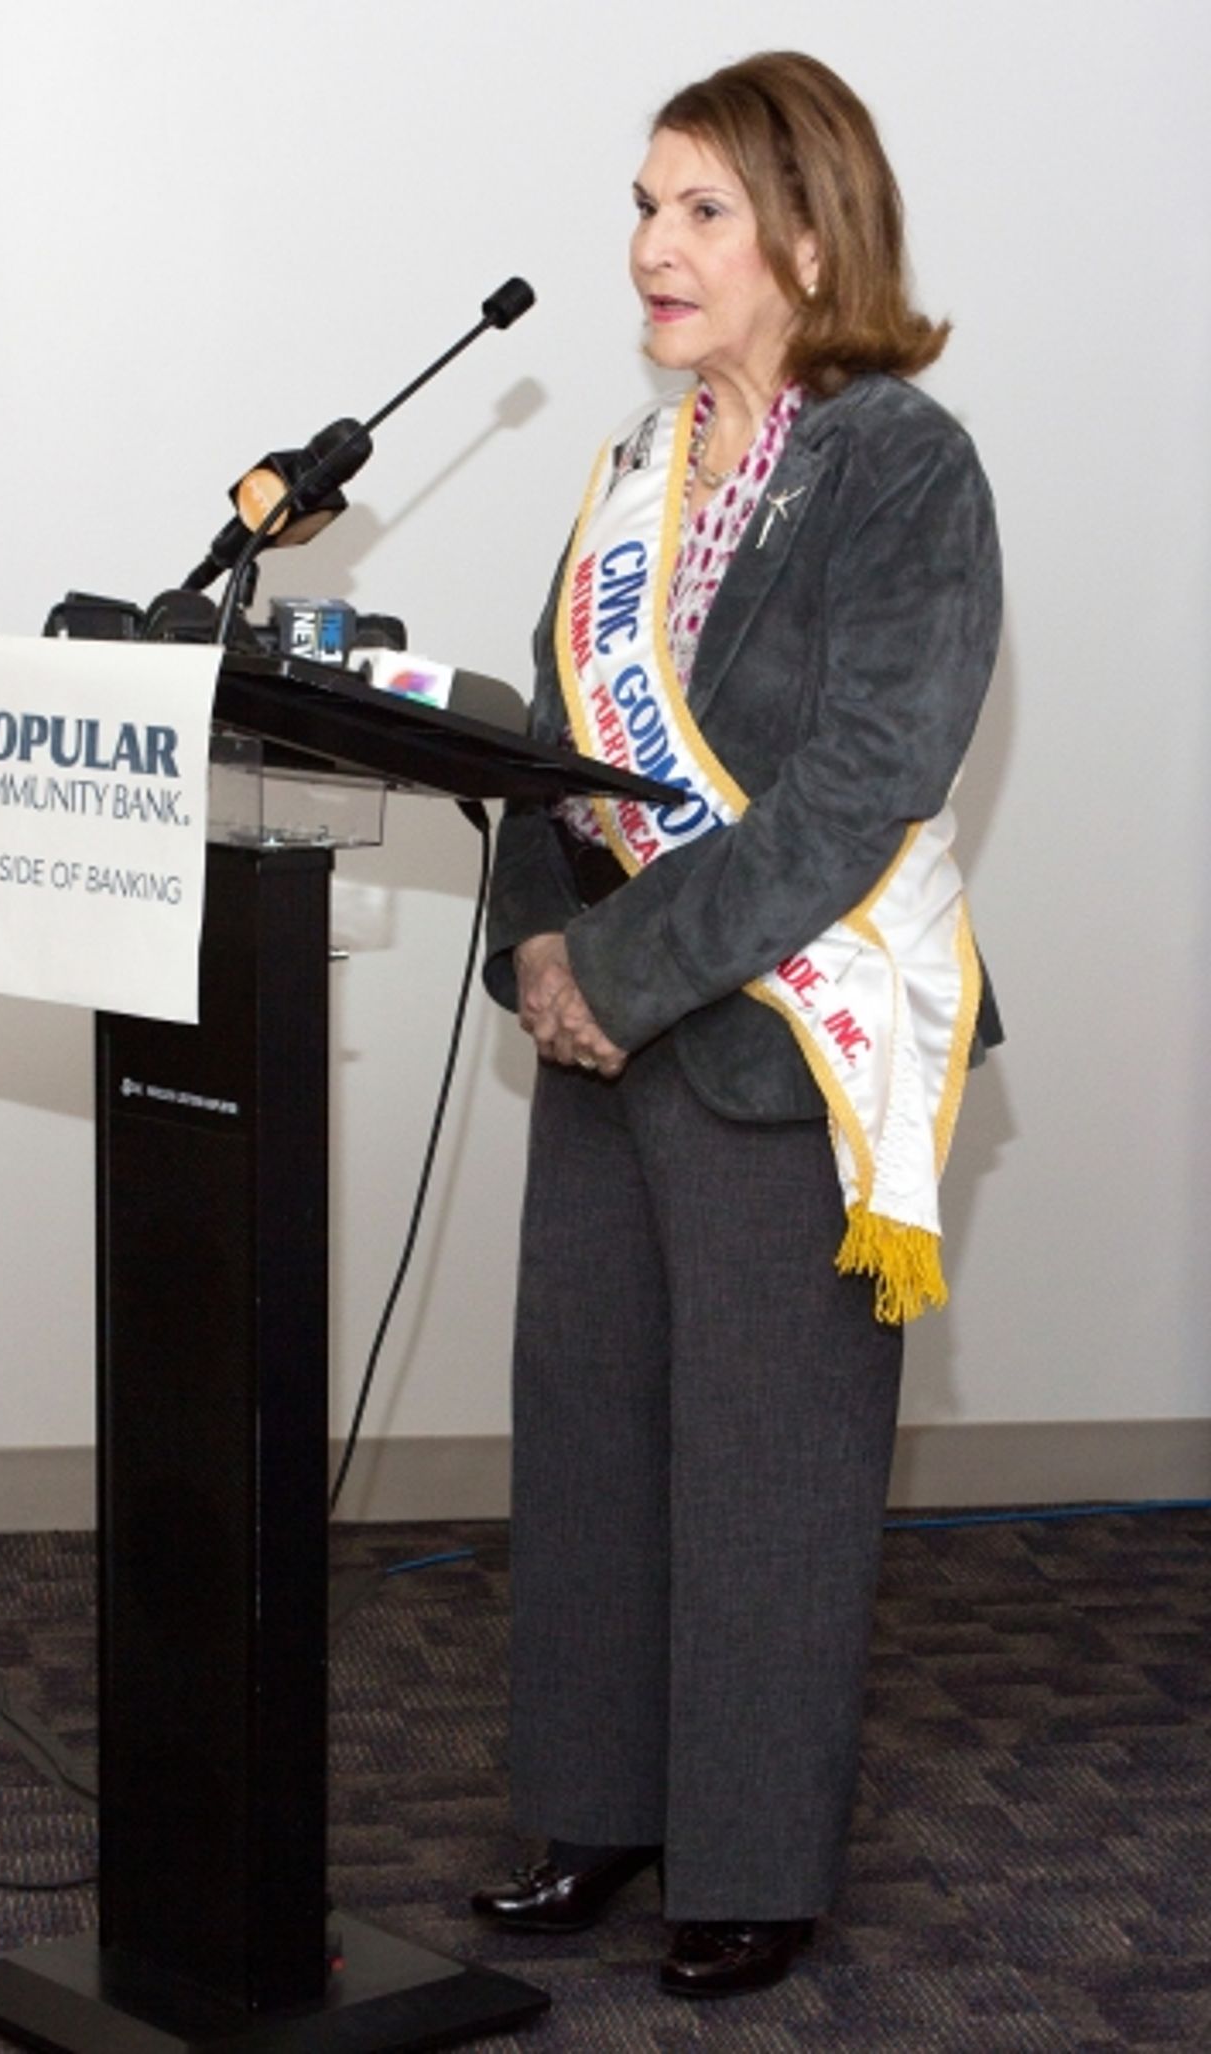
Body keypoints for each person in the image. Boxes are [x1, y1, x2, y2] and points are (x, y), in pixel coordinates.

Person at [473, 51, 1002, 1999]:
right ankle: (596, 1807)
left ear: (811, 235)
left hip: (786, 1049)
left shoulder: (902, 464)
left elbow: (864, 780)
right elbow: (553, 735)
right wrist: (542, 952)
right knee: (591, 1435)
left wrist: (618, 972)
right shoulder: (639, 463)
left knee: (770, 1472)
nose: (653, 245)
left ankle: (752, 1860)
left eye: (701, 209)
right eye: (644, 205)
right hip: (602, 1035)